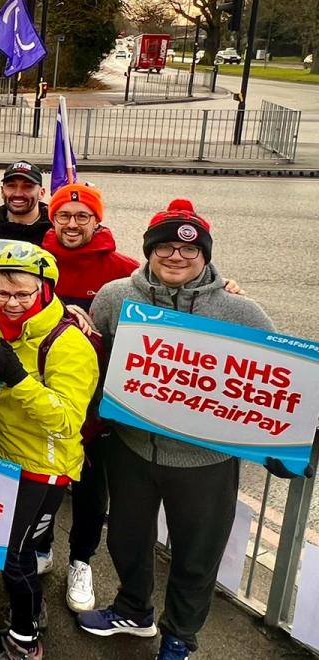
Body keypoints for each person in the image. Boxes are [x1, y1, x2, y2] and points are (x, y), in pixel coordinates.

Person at [78, 199, 285, 660]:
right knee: (127, 540)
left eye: (189, 251)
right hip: (132, 449)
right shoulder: (115, 297)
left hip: (205, 462)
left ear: (205, 256)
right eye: (165, 247)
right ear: (149, 250)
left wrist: (288, 448)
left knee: (196, 556)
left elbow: (281, 381)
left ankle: (179, 637)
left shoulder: (240, 311)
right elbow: (95, 361)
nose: (176, 256)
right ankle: (134, 611)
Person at [0, 240, 98, 660]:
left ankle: (25, 642)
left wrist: (19, 378)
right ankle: (25, 610)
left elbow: (68, 420)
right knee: (12, 551)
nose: (10, 302)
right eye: (2, 292)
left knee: (14, 556)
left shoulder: (68, 344)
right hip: (5, 457)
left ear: (45, 291)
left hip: (43, 468)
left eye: (22, 294)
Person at [31, 182, 137, 608]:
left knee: (92, 493)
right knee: (42, 484)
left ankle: (82, 561)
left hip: (96, 410)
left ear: (97, 220)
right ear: (52, 218)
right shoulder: (36, 262)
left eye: (82, 217)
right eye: (64, 216)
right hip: (44, 401)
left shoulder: (124, 270)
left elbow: (168, 307)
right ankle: (41, 547)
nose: (72, 224)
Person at [0, 162, 52, 264]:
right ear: (2, 191)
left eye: (27, 186)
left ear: (41, 193)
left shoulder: (55, 235)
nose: (18, 193)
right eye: (11, 186)